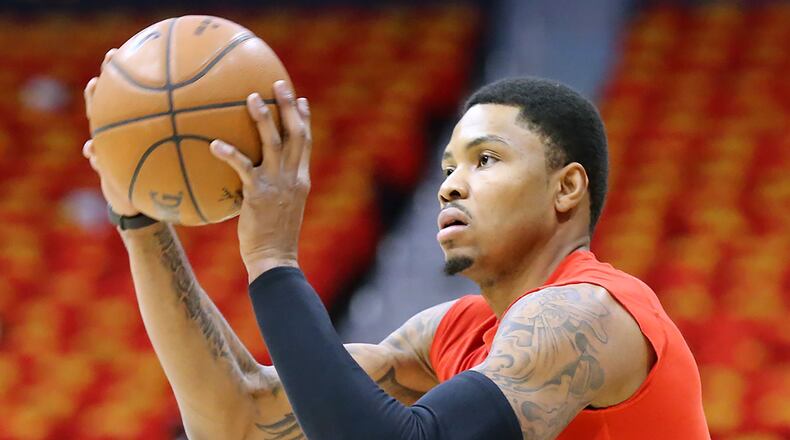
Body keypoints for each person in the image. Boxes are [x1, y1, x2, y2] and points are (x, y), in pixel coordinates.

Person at [83, 49, 709, 439]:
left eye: (485, 160)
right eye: (446, 169)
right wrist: (141, 223)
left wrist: (272, 259)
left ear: (567, 187)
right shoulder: (450, 334)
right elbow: (238, 422)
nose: (451, 187)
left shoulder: (588, 315)